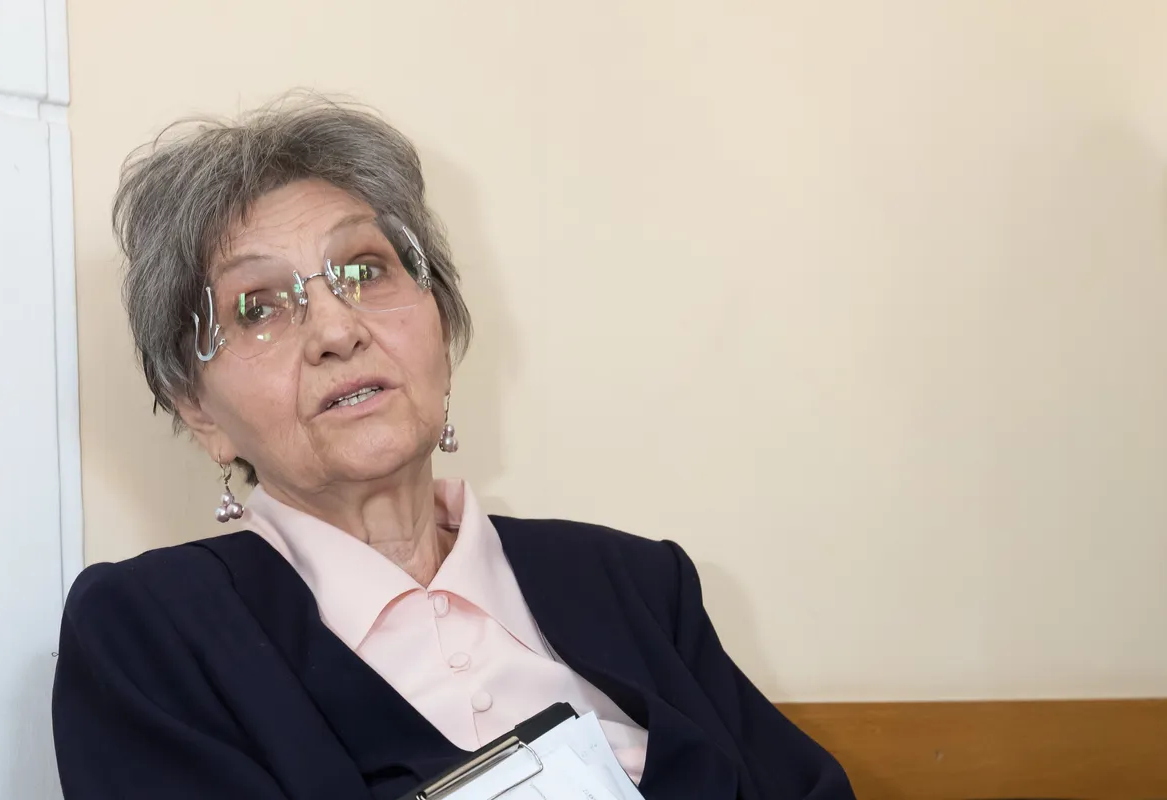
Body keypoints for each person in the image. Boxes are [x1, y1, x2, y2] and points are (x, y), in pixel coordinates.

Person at [51, 98, 855, 800]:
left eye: (365, 270)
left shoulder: (638, 584)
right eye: (257, 307)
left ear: (440, 323)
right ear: (199, 410)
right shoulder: (152, 635)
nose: (336, 329)